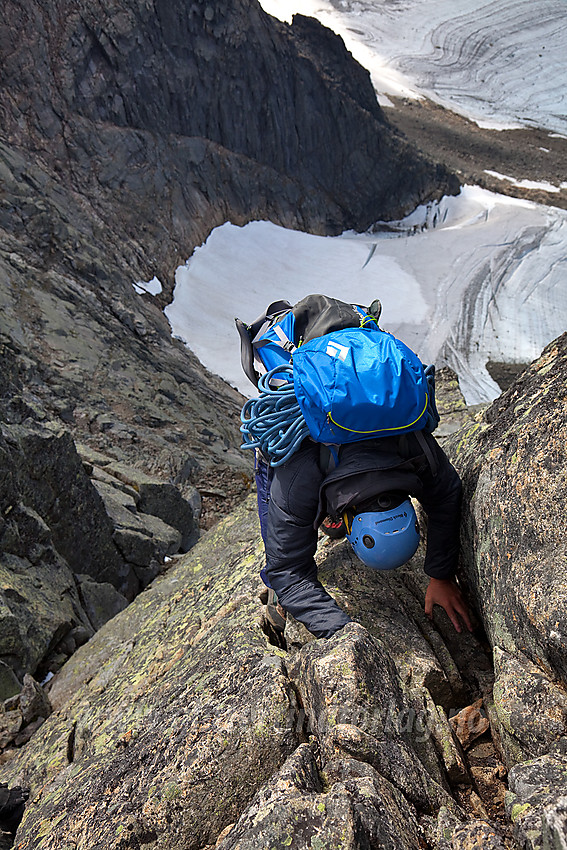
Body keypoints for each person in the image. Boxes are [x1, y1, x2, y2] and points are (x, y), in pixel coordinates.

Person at [255, 427, 472, 639]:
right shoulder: (296, 483)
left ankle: (333, 503)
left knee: (304, 508)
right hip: (300, 440)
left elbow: (446, 494)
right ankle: (276, 594)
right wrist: (343, 633)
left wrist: (441, 576)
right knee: (278, 532)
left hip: (336, 449)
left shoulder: (415, 446)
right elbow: (288, 570)